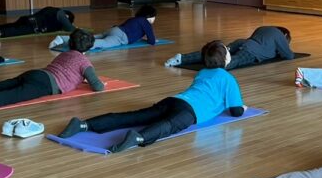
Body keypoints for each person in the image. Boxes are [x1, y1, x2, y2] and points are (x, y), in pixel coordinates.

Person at [59, 40, 244, 152]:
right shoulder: (228, 78)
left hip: (175, 100)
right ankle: (139, 137)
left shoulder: (202, 72)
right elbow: (236, 111)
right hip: (190, 111)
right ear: (225, 58)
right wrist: (241, 107)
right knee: (169, 126)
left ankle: (84, 124)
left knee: (135, 116)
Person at [0, 29, 103, 115]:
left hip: (36, 74)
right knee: (10, 96)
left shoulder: (65, 53)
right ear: (89, 48)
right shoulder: (84, 62)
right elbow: (97, 86)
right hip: (46, 85)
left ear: (71, 43)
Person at [166, 26, 293, 70]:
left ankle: (182, 58)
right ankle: (221, 65)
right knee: (234, 61)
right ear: (285, 35)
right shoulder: (279, 35)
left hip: (242, 42)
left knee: (216, 52)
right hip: (251, 52)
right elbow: (288, 55)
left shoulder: (264, 28)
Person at [51, 5, 157, 50]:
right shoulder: (146, 22)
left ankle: (62, 39)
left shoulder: (135, 19)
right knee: (102, 43)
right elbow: (151, 40)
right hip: (120, 37)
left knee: (92, 36)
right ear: (150, 16)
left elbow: (125, 26)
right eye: (154, 17)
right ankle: (80, 47)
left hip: (114, 30)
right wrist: (150, 39)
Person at [0, 7, 76, 38]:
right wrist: (74, 27)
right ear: (67, 16)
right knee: (13, 31)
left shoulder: (53, 10)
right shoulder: (60, 13)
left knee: (12, 26)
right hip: (32, 26)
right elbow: (70, 29)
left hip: (27, 19)